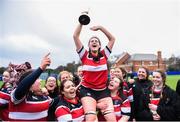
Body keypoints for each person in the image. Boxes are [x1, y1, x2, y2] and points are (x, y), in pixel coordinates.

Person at [73, 21, 116, 121]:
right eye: (91, 41)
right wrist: (81, 22)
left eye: (96, 41)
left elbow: (112, 39)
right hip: (87, 90)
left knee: (111, 119)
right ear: (88, 45)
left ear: (100, 45)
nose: (94, 42)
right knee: (91, 118)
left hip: (103, 91)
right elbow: (75, 36)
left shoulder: (104, 54)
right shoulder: (84, 55)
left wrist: (100, 27)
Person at [9, 53, 51, 121]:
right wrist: (41, 68)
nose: (40, 81)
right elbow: (23, 86)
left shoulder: (43, 95)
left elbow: (56, 102)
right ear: (30, 84)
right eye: (37, 79)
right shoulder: (19, 96)